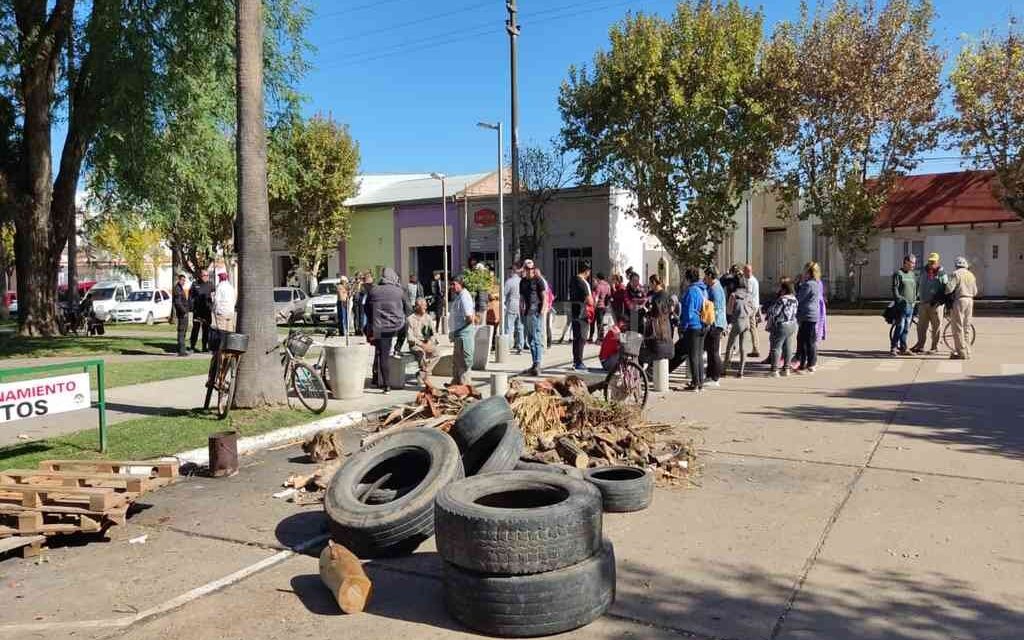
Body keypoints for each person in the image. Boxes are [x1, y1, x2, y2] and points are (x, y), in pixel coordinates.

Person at [365, 268, 405, 394]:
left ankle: (384, 384)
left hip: (380, 328)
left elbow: (366, 309)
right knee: (406, 324)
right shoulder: (399, 291)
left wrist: (373, 321)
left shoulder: (373, 290)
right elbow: (408, 309)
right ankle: (398, 347)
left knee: (382, 355)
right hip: (397, 326)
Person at [677, 268, 707, 392]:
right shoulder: (703, 290)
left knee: (693, 356)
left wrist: (683, 326)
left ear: (688, 279)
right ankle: (700, 382)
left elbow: (688, 312)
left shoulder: (690, 291)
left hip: (693, 326)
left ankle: (695, 383)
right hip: (702, 325)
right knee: (699, 355)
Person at [911, 253, 946, 354]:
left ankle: (935, 347)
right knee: (921, 326)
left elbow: (945, 288)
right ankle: (920, 346)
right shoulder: (923, 271)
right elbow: (917, 284)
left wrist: (939, 300)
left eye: (933, 262)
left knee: (936, 327)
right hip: (923, 303)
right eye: (930, 261)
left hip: (936, 305)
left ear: (937, 262)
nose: (931, 263)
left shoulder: (942, 273)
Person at [945, 256, 978, 360]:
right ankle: (967, 351)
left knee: (957, 327)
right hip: (970, 300)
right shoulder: (971, 275)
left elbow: (949, 289)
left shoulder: (956, 274)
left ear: (956, 265)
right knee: (966, 327)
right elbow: (975, 291)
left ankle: (961, 353)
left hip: (960, 300)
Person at [519, 259, 547, 376]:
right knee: (530, 339)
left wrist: (542, 310)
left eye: (532, 268)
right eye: (528, 268)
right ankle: (534, 363)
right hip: (527, 313)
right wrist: (521, 310)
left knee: (536, 338)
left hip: (536, 312)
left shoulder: (538, 280)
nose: (530, 271)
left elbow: (545, 297)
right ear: (524, 269)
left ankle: (537, 363)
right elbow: (521, 299)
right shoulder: (522, 282)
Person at [765, 278, 798, 377]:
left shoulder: (782, 299)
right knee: (788, 347)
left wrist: (769, 310)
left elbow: (774, 312)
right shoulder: (794, 299)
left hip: (781, 324)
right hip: (792, 324)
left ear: (784, 289)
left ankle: (774, 370)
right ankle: (786, 369)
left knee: (776, 347)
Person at [723, 276, 755, 378]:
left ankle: (725, 368)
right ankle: (741, 370)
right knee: (743, 347)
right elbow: (754, 308)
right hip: (746, 321)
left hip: (737, 321)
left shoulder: (733, 295)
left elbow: (729, 310)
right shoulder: (749, 295)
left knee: (730, 345)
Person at [449, 276, 477, 385]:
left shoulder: (465, 296)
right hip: (459, 334)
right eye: (451, 284)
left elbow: (469, 317)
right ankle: (456, 383)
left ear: (460, 284)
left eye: (454, 284)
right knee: (457, 361)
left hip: (464, 334)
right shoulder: (459, 296)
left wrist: (460, 329)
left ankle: (464, 386)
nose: (451, 287)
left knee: (464, 362)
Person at [641, 275, 674, 367]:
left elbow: (655, 313)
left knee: (654, 349)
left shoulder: (657, 297)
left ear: (654, 283)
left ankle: (650, 370)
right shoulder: (666, 294)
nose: (649, 286)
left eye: (650, 283)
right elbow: (671, 307)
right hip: (666, 325)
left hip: (657, 328)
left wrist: (648, 312)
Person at [796, 262, 822, 372]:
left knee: (804, 340)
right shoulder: (816, 283)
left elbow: (799, 298)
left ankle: (807, 363)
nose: (803, 273)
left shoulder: (808, 285)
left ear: (808, 272)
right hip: (813, 315)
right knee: (809, 340)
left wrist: (798, 286)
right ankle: (809, 363)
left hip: (807, 315)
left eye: (805, 271)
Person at [890, 254, 919, 356]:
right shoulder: (898, 273)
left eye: (915, 263)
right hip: (902, 306)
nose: (914, 265)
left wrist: (915, 299)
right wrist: (899, 300)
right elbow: (895, 289)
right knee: (900, 326)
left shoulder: (912, 274)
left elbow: (915, 289)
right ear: (906, 262)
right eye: (912, 262)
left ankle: (904, 348)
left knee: (906, 328)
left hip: (911, 305)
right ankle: (894, 347)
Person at [702, 266, 726, 387]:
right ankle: (710, 375)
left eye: (706, 276)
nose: (704, 278)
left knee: (713, 351)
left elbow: (714, 308)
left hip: (715, 323)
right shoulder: (714, 287)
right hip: (716, 322)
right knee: (711, 351)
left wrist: (709, 322)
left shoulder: (715, 289)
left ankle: (715, 377)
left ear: (711, 276)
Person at [406, 297, 439, 385]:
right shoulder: (410, 319)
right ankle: (424, 374)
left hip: (427, 342)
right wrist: (421, 344)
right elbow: (410, 337)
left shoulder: (428, 317)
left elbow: (434, 333)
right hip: (415, 345)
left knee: (437, 353)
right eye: (423, 306)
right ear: (417, 307)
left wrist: (430, 342)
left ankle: (422, 373)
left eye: (425, 306)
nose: (425, 307)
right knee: (421, 353)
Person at [569, 261, 593, 370]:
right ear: (587, 271)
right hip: (583, 313)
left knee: (576, 337)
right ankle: (579, 362)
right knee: (582, 338)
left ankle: (576, 361)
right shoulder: (583, 283)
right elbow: (589, 300)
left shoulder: (572, 280)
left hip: (574, 311)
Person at [189, 270, 213, 352]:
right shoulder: (195, 284)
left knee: (206, 330)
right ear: (200, 276)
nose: (206, 277)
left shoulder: (210, 285)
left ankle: (204, 347)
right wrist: (192, 308)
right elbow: (190, 297)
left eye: (207, 275)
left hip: (207, 311)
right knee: (195, 329)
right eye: (204, 275)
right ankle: (192, 346)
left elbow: (214, 296)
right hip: (197, 311)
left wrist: (212, 306)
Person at [503, 263, 524, 354]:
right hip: (521, 306)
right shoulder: (522, 281)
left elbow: (504, 294)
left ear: (512, 271)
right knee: (520, 327)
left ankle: (508, 346)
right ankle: (520, 346)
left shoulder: (509, 282)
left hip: (511, 305)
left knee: (509, 327)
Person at [743, 264, 762, 358]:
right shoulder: (754, 279)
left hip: (751, 307)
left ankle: (756, 349)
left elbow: (748, 294)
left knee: (751, 327)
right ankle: (754, 348)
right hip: (754, 305)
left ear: (748, 271)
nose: (743, 273)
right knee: (751, 327)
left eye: (744, 271)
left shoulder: (750, 281)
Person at [172, 273, 191, 357]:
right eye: (182, 280)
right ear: (179, 280)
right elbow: (178, 303)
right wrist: (184, 312)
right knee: (181, 331)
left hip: (184, 313)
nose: (183, 282)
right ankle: (181, 350)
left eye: (184, 280)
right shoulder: (177, 289)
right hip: (182, 314)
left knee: (183, 332)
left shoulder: (180, 288)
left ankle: (182, 349)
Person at [591, 271, 611, 342]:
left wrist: (594, 305)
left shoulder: (598, 286)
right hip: (604, 307)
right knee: (601, 321)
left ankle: (600, 338)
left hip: (598, 306)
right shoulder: (608, 285)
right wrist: (607, 305)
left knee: (596, 322)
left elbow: (596, 297)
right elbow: (609, 296)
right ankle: (601, 337)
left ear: (598, 278)